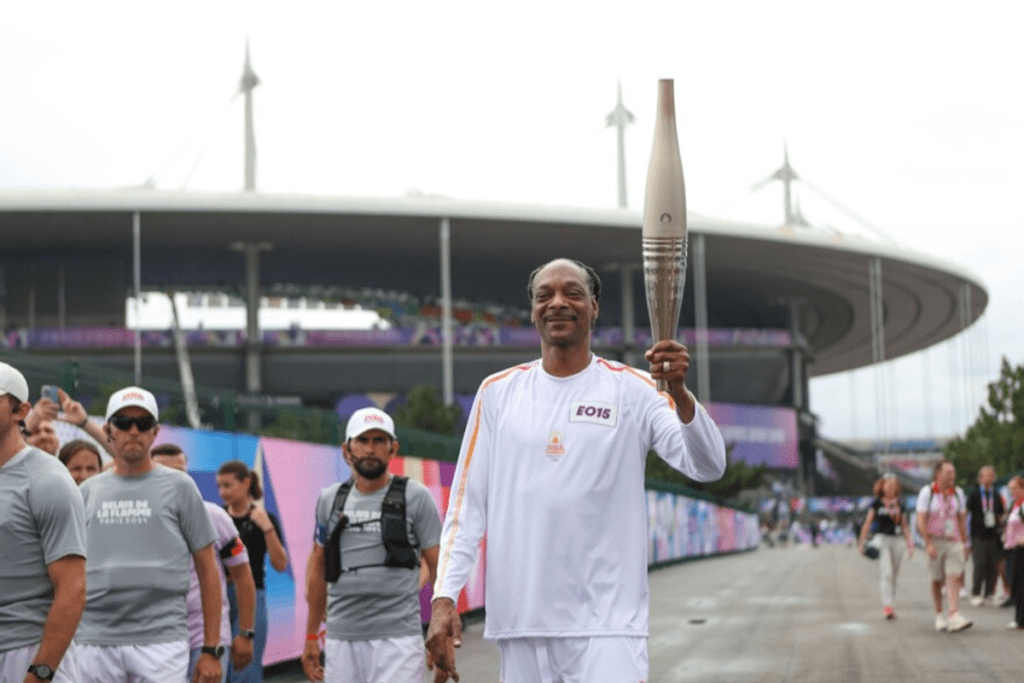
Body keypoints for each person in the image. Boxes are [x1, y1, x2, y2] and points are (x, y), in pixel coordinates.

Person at [425, 258, 726, 683]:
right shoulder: (497, 394)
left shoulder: (635, 390)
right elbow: (466, 508)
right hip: (522, 622)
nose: (558, 303)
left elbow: (709, 465)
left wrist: (680, 394)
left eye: (572, 293)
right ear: (532, 310)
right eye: (544, 295)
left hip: (609, 626)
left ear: (594, 307)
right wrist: (444, 598)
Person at [77, 386, 223, 683]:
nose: (133, 431)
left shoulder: (181, 487)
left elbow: (208, 570)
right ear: (108, 431)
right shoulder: (86, 492)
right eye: (123, 423)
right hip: (94, 640)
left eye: (143, 424)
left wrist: (210, 648)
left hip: (162, 641)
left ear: (155, 432)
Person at [302, 407, 443, 683]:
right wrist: (310, 637)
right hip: (341, 639)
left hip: (398, 640)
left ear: (393, 449)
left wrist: (441, 632)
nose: (370, 449)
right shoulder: (329, 499)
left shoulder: (416, 497)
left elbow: (439, 568)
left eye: (380, 441)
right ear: (347, 449)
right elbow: (317, 568)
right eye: (363, 441)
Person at [0, 362, 87, 683]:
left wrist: (41, 670)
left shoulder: (48, 480)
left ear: (20, 411)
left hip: (27, 652)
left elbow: (72, 589)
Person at [152, 444, 259, 683]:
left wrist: (246, 633)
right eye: (162, 472)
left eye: (179, 473)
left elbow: (243, 576)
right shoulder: (140, 521)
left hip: (206, 637)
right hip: (157, 637)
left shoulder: (216, 517)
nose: (172, 481)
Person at [217, 461, 288, 683]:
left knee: (244, 669)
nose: (222, 492)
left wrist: (267, 527)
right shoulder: (217, 517)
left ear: (246, 483)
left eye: (228, 485)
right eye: (219, 486)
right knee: (217, 665)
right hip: (219, 598)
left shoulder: (263, 519)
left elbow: (280, 564)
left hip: (252, 597)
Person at [916, 459, 972, 632]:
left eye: (953, 472)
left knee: (954, 576)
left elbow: (961, 519)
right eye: (948, 472)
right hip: (935, 541)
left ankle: (954, 614)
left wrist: (965, 542)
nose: (952, 476)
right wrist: (927, 543)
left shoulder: (957, 493)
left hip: (953, 541)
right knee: (936, 580)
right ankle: (939, 614)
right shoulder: (927, 492)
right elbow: (921, 519)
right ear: (938, 474)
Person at [857, 475, 914, 619]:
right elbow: (868, 522)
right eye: (887, 485)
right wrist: (861, 541)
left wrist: (910, 544)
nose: (890, 488)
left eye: (893, 485)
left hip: (897, 541)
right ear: (881, 487)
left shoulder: (900, 504)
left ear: (897, 488)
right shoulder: (877, 503)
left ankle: (891, 604)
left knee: (894, 574)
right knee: (886, 572)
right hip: (882, 539)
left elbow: (905, 526)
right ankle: (887, 605)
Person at [966, 465, 1005, 606]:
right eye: (987, 475)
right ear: (980, 478)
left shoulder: (996, 494)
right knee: (979, 563)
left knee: (992, 565)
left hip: (993, 534)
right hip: (978, 534)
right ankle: (976, 593)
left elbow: (1000, 512)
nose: (990, 478)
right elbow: (966, 512)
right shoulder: (974, 493)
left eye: (992, 475)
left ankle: (989, 592)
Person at [1002, 476, 1024, 629]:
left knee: (1021, 584)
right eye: (1011, 489)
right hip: (1016, 548)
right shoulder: (1016, 505)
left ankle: (1020, 620)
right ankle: (1019, 618)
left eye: (1015, 489)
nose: (1013, 492)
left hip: (1022, 548)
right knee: (1017, 583)